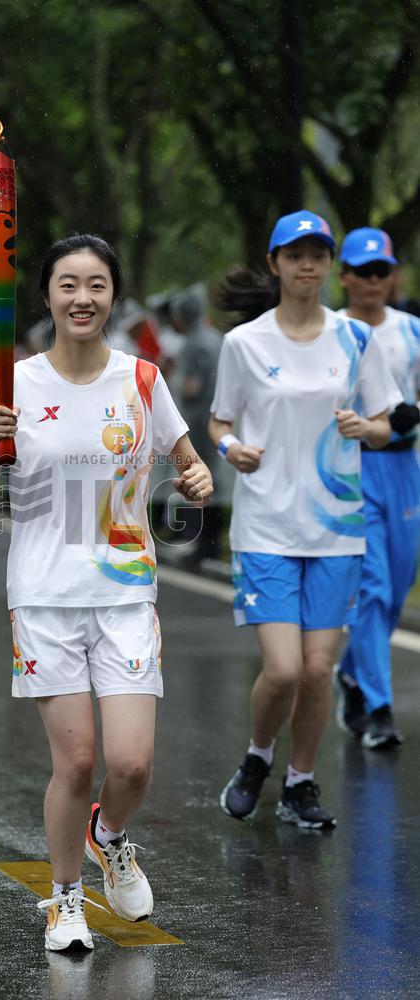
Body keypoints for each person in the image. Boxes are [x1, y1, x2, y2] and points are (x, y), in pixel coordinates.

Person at [0, 234, 213, 952]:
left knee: (131, 763)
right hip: (42, 596)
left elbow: (188, 463)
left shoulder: (141, 379)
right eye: (67, 284)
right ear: (45, 296)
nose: (82, 297)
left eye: (96, 285)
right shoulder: (15, 384)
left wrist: (195, 479)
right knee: (74, 762)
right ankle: (65, 899)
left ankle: (110, 835)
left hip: (126, 590)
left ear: (113, 296)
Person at [209, 210, 401, 830]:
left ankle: (301, 782)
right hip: (266, 524)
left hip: (337, 525)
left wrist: (365, 428)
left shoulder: (354, 339)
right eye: (296, 255)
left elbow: (385, 420)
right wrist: (230, 449)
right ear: (276, 264)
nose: (309, 264)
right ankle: (259, 756)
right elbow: (219, 422)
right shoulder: (245, 344)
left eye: (319, 254)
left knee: (318, 669)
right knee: (284, 668)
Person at [332, 228, 420, 750]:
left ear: (394, 275)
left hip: (403, 468)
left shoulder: (411, 331)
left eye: (380, 271)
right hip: (349, 469)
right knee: (373, 588)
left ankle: (351, 671)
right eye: (361, 272)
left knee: (397, 586)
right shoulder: (330, 331)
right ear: (343, 276)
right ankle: (380, 707)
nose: (371, 282)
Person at [170, 285, 229, 565]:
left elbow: (192, 387)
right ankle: (212, 544)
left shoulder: (194, 342)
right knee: (212, 478)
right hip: (215, 416)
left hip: (197, 420)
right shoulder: (215, 337)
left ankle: (197, 541)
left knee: (194, 478)